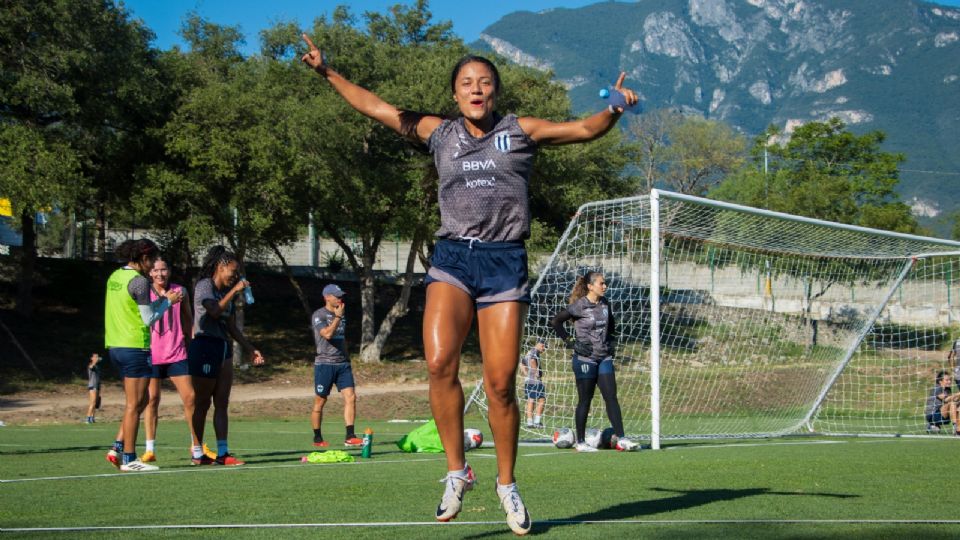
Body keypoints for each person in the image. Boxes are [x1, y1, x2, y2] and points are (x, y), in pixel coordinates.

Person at [301, 34, 637, 535]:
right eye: (466, 83)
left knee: (501, 384)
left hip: (504, 263)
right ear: (455, 95)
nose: (475, 89)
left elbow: (584, 128)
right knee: (439, 364)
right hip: (454, 258)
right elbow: (376, 107)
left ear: (494, 93)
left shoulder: (520, 131)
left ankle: (507, 484)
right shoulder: (439, 132)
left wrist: (613, 109)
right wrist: (328, 72)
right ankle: (456, 473)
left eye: (484, 82)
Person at [104, 239, 182, 472]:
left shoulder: (116, 276)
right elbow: (149, 318)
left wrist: (160, 302)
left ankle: (117, 447)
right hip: (135, 346)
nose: (153, 267)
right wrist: (168, 301)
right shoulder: (138, 281)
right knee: (134, 404)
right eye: (151, 261)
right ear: (144, 258)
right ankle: (129, 458)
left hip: (115, 345)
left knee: (140, 401)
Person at [189, 246, 265, 466]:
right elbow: (213, 311)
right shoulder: (205, 286)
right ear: (220, 268)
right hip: (204, 345)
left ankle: (223, 452)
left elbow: (230, 326)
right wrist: (235, 290)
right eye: (233, 271)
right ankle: (197, 452)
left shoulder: (226, 293)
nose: (236, 276)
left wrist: (250, 347)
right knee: (202, 402)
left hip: (223, 347)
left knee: (221, 401)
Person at [550, 271, 638, 453]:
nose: (605, 286)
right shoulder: (579, 306)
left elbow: (611, 324)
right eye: (601, 283)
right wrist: (570, 342)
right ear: (590, 286)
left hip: (604, 357)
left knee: (611, 397)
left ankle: (622, 439)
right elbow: (556, 322)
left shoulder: (605, 304)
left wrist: (612, 340)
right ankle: (580, 442)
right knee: (585, 400)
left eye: (605, 283)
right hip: (585, 359)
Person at [141, 257, 200, 464]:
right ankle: (150, 448)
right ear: (149, 272)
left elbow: (187, 319)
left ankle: (196, 445)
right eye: (156, 270)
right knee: (152, 400)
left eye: (163, 270)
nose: (160, 274)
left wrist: (191, 337)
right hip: (151, 354)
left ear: (169, 271)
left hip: (177, 353)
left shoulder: (180, 291)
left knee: (190, 397)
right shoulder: (144, 292)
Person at [310, 284, 363, 448]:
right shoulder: (319, 315)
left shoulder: (341, 314)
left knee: (351, 397)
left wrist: (347, 358)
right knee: (320, 401)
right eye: (336, 296)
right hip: (325, 364)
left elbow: (341, 338)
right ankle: (317, 438)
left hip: (342, 364)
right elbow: (327, 334)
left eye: (340, 296)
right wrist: (338, 317)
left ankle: (350, 435)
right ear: (327, 297)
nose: (339, 299)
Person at [519, 340, 546, 428]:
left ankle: (530, 422)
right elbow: (532, 360)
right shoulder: (535, 351)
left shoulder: (529, 352)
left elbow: (521, 363)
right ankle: (537, 422)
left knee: (531, 400)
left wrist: (526, 373)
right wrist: (536, 372)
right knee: (542, 400)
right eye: (543, 346)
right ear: (539, 344)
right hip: (535, 380)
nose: (544, 349)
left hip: (528, 380)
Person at [925, 370, 960, 434]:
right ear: (940, 381)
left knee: (958, 406)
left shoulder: (947, 390)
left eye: (950, 380)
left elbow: (954, 400)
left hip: (942, 414)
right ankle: (956, 428)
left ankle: (932, 426)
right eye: (947, 380)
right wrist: (958, 394)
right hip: (932, 415)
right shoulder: (937, 388)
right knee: (952, 403)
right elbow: (946, 400)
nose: (949, 382)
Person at [85, 353, 103, 424]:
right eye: (95, 357)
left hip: (97, 386)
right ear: (91, 358)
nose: (97, 358)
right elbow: (91, 367)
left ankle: (92, 418)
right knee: (92, 403)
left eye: (97, 357)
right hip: (92, 386)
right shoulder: (91, 365)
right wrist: (95, 361)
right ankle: (87, 418)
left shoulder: (97, 366)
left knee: (95, 403)